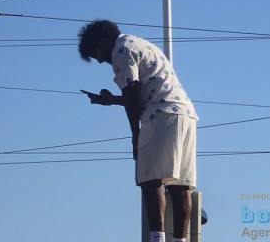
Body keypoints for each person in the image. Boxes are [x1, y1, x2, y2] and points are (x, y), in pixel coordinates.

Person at [78, 19, 198, 242]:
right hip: (185, 114)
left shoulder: (121, 50)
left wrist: (136, 136)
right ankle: (181, 239)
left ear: (104, 41)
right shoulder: (141, 44)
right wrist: (112, 100)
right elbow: (142, 93)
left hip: (160, 115)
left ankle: (157, 238)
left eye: (97, 53)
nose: (101, 60)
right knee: (180, 184)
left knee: (149, 179)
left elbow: (133, 94)